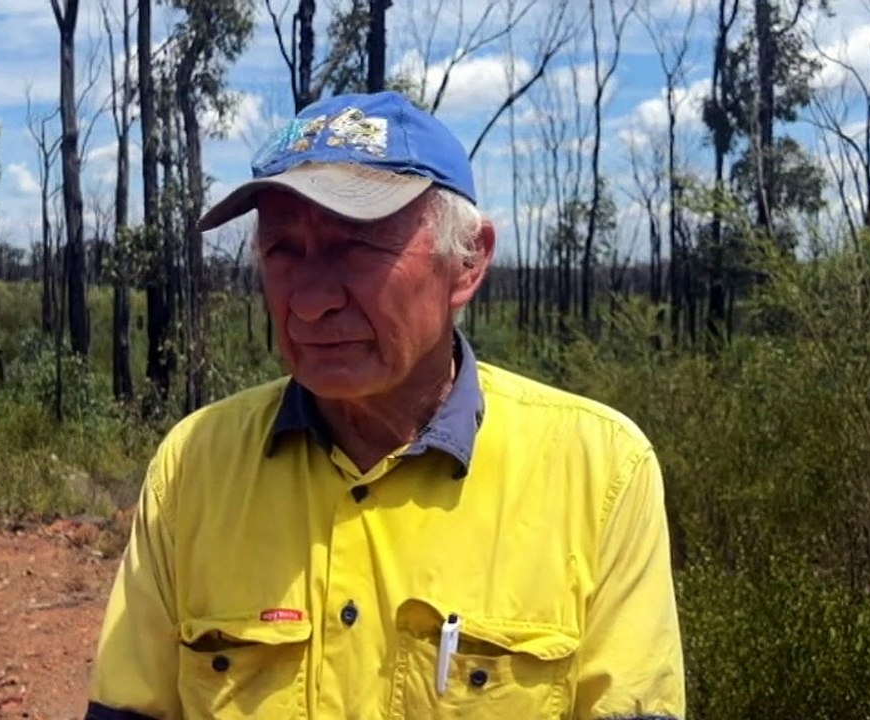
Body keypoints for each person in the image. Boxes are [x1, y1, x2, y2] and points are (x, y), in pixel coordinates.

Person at [84, 91, 684, 720]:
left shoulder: (598, 472)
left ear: (468, 261)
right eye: (283, 249)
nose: (310, 300)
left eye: (358, 246)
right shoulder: (196, 466)